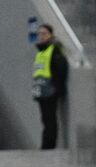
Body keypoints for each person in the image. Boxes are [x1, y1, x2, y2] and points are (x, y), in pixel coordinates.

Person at [32, 23, 68, 151]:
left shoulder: (54, 49)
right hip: (42, 90)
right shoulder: (41, 51)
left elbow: (60, 68)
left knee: (50, 119)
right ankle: (46, 144)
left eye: (44, 33)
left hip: (50, 90)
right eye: (40, 34)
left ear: (51, 35)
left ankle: (49, 145)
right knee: (45, 119)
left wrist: (57, 88)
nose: (41, 36)